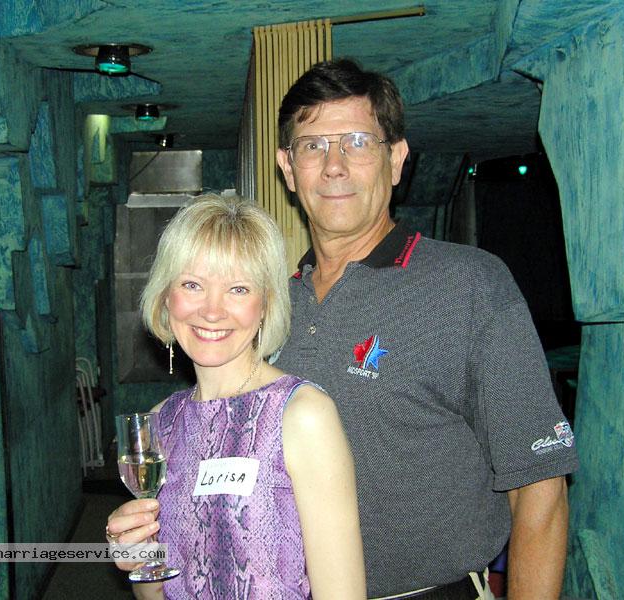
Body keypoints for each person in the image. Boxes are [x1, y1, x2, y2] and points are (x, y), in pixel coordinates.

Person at [273, 59, 579, 600]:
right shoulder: (267, 303)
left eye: (357, 142)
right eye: (313, 146)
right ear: (288, 167)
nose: (334, 166)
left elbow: (540, 488)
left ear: (395, 159)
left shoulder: (470, 285)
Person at [105, 194, 366, 600]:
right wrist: (139, 558)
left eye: (238, 289)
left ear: (265, 305)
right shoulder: (161, 423)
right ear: (166, 297)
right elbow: (158, 594)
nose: (212, 311)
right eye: (192, 284)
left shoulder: (301, 415)